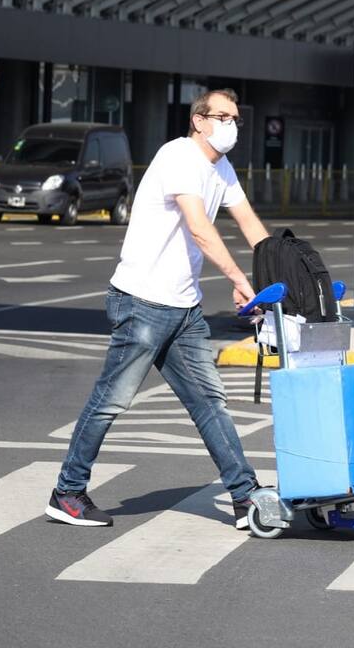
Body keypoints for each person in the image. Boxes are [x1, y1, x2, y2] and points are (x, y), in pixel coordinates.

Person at [45, 88, 269, 529]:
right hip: (143, 301)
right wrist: (241, 281)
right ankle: (67, 492)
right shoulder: (178, 157)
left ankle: (245, 497)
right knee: (111, 401)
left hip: (184, 308)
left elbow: (247, 221)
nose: (231, 126)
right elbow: (201, 229)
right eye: (223, 117)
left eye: (236, 119)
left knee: (210, 403)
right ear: (199, 121)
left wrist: (284, 267)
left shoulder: (219, 167)